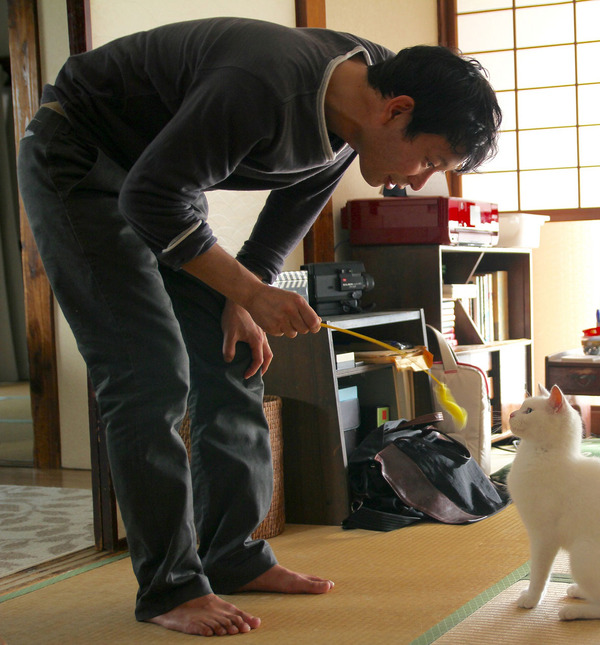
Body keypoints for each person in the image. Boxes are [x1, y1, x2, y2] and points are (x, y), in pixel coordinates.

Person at [17, 16, 500, 637]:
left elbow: (290, 207)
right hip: (78, 162)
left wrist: (245, 298)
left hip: (162, 184)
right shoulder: (266, 83)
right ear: (396, 112)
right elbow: (148, 199)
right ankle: (170, 587)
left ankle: (234, 556)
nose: (419, 180)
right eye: (429, 159)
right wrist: (248, 290)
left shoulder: (369, 91)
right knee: (148, 375)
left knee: (237, 355)